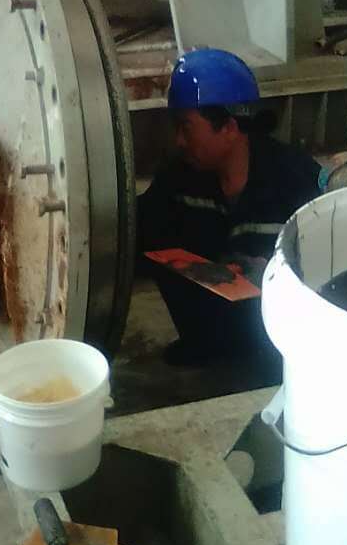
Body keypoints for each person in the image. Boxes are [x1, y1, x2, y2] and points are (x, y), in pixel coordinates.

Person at [137, 48, 321, 365]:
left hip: (275, 341)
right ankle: (204, 346)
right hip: (210, 329)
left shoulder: (295, 180)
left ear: (229, 128)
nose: (179, 140)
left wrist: (267, 272)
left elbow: (327, 264)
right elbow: (138, 231)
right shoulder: (177, 179)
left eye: (186, 128)